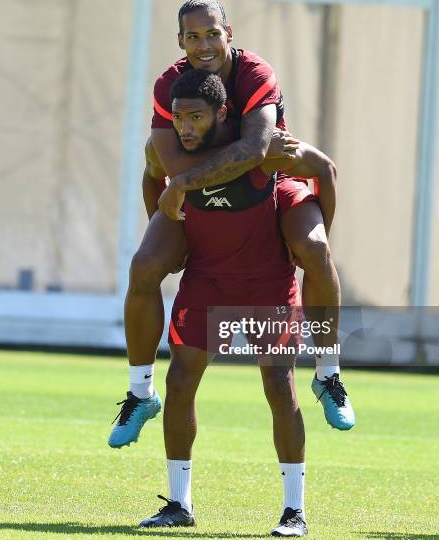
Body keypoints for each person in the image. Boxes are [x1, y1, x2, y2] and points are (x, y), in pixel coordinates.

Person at [109, 0, 354, 451]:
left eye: (212, 34)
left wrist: (185, 179)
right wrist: (177, 220)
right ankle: (140, 391)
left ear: (229, 33)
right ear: (180, 41)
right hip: (194, 194)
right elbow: (162, 164)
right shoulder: (170, 86)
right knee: (143, 267)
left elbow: (259, 152)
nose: (203, 44)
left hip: (271, 185)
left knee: (316, 251)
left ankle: (328, 372)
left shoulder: (255, 73)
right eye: (193, 36)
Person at [138, 69, 339, 535]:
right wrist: (168, 226)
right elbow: (151, 177)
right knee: (181, 380)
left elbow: (324, 167)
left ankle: (294, 511)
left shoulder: (262, 150)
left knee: (278, 388)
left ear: (222, 114)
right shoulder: (169, 155)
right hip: (207, 280)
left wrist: (316, 241)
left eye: (196, 118)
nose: (185, 127)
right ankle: (178, 504)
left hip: (266, 282)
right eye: (179, 118)